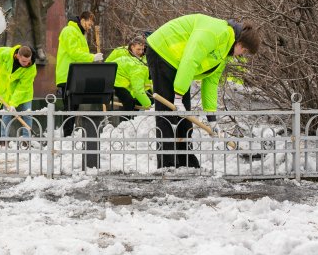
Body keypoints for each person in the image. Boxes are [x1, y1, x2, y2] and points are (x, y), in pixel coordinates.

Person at [146, 14, 261, 168]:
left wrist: (212, 118)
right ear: (239, 42)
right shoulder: (215, 33)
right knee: (167, 112)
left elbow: (211, 82)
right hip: (163, 50)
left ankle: (186, 163)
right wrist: (178, 96)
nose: (242, 55)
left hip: (178, 63)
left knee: (184, 115)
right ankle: (166, 165)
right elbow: (190, 59)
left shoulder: (225, 51)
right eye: (244, 50)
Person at [54, 11, 103, 136]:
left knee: (74, 105)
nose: (90, 27)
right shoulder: (69, 31)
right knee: (70, 106)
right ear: (82, 19)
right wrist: (92, 57)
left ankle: (69, 133)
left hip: (76, 74)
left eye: (91, 25)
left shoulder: (79, 33)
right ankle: (67, 134)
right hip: (68, 74)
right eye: (89, 24)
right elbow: (74, 52)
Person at [106, 36, 152, 119]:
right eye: (138, 49)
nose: (141, 52)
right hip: (117, 80)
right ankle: (126, 123)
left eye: (142, 49)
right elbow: (107, 66)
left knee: (134, 100)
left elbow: (146, 80)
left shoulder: (144, 59)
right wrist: (149, 106)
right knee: (128, 100)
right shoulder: (119, 52)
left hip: (130, 82)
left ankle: (132, 120)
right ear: (132, 46)